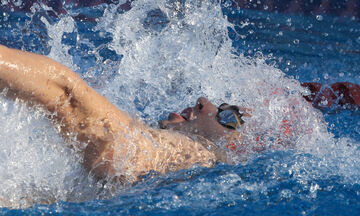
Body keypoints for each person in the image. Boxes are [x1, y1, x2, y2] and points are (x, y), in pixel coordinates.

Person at [0, 44, 359, 185]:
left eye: (229, 116)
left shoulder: (200, 155)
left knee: (65, 88)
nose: (204, 103)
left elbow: (64, 93)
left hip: (134, 156)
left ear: (243, 150)